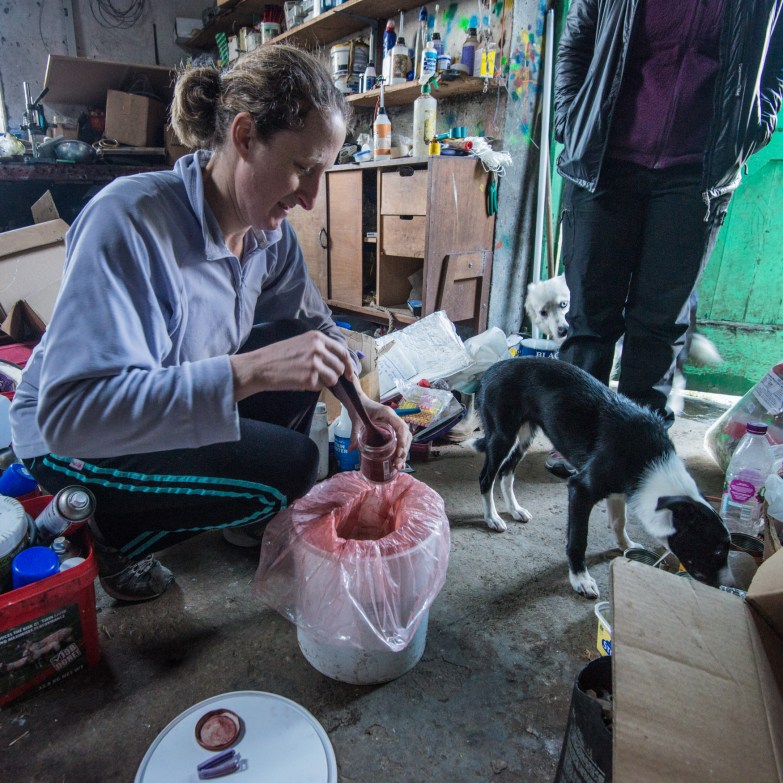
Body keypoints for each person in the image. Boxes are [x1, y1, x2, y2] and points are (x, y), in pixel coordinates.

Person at [9, 45, 411, 602]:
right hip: (71, 437)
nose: (312, 198)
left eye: (325, 173)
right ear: (244, 137)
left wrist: (363, 407)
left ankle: (233, 501)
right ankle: (118, 537)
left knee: (302, 346)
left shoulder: (268, 235)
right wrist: (246, 370)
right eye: (301, 168)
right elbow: (70, 417)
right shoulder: (130, 222)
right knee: (294, 469)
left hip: (164, 402)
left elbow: (320, 334)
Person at [548, 0, 782, 476]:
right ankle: (576, 437)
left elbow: (774, 62)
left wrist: (754, 126)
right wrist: (569, 118)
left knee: (660, 321)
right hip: (604, 159)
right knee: (591, 314)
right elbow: (578, 39)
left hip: (696, 172)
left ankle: (635, 442)